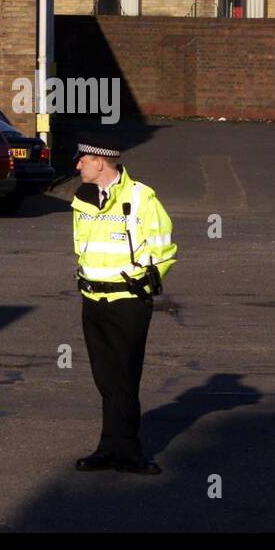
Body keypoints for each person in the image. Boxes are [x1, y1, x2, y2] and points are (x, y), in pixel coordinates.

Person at [70, 135, 177, 475]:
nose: (77, 165)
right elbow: (81, 248)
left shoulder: (141, 198)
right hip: (93, 301)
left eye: (82, 160)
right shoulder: (82, 198)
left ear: (100, 162)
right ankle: (109, 446)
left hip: (128, 303)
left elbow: (164, 249)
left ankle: (129, 451)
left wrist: (146, 283)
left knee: (125, 378)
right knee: (105, 378)